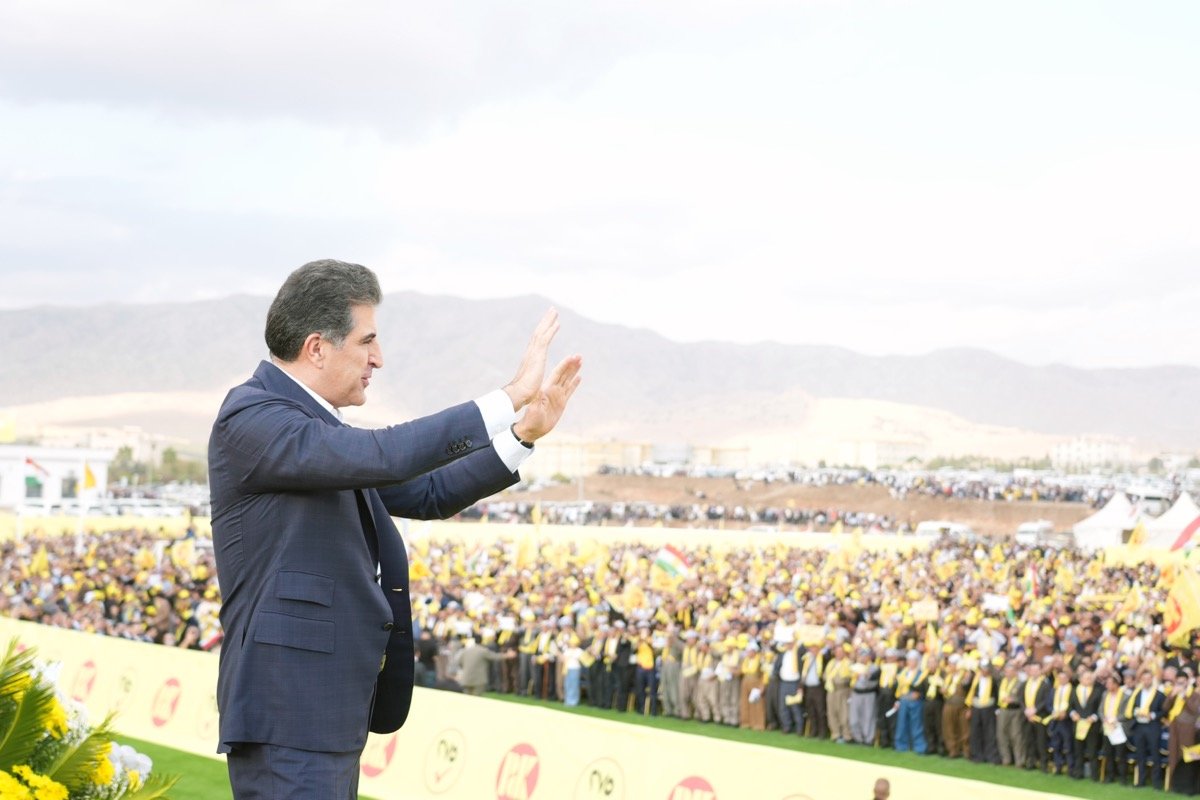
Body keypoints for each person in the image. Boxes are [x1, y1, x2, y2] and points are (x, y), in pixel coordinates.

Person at [209, 259, 582, 799]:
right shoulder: (253, 416)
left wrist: (522, 433)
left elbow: (429, 493)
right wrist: (511, 395)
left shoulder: (319, 433)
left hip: (327, 714)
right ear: (317, 348)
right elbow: (385, 454)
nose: (378, 359)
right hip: (287, 713)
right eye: (367, 341)